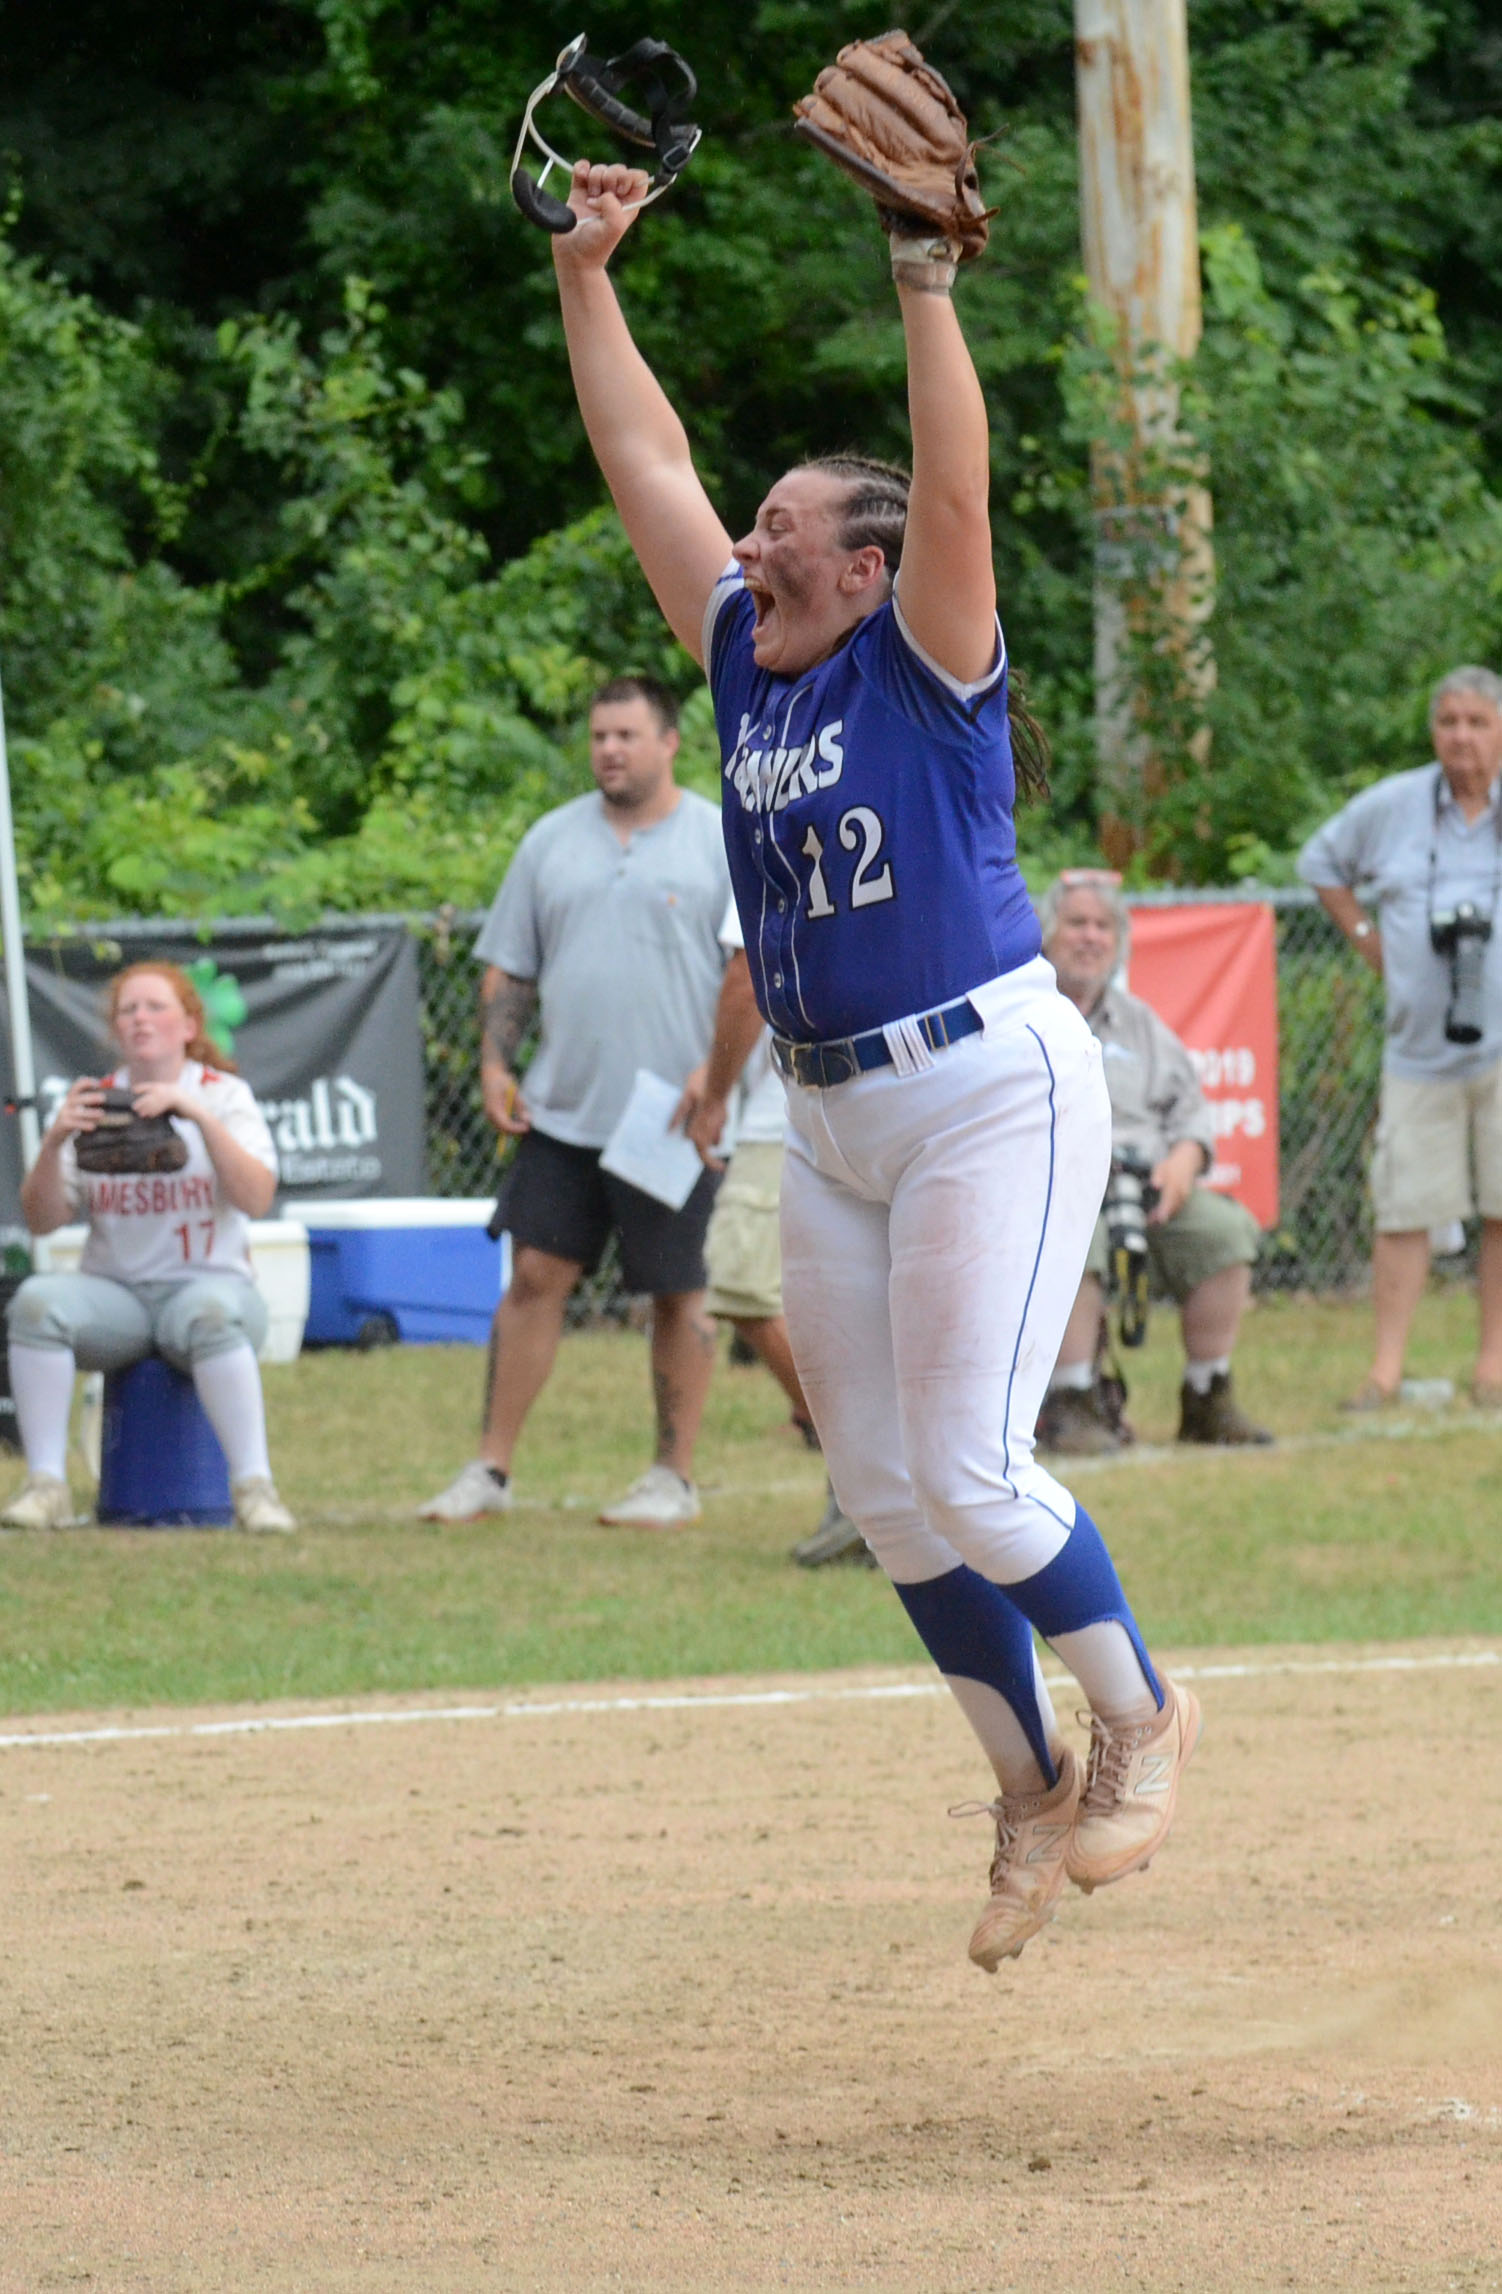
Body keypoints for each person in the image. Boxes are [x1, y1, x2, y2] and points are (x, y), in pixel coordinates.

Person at [547, 137, 1198, 1972]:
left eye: (780, 530)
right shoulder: (747, 658)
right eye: (749, 530)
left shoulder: (922, 655)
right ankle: (1028, 1782)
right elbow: (644, 461)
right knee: (894, 1497)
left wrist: (923, 283)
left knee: (975, 1469)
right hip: (826, 1112)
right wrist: (585, 275)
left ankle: (1142, 1712)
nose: (745, 547)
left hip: (986, 1082)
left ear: (869, 561)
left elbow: (956, 483)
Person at [420, 676, 730, 1527]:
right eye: (599, 737)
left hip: (673, 1114)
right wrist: (494, 1062)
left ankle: (671, 1478)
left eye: (627, 735)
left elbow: (756, 973)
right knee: (533, 1276)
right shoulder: (550, 841)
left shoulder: (718, 838)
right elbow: (510, 965)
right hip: (564, 1107)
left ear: (670, 742)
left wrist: (716, 1074)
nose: (609, 751)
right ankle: (489, 1469)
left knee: (679, 1291)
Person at [1, 962, 294, 1534]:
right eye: (127, 1010)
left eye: (155, 1006)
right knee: (35, 1304)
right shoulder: (97, 1100)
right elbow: (42, 1219)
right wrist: (56, 1139)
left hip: (213, 1286)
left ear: (189, 1025)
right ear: (115, 1028)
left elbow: (256, 1198)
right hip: (119, 1298)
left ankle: (255, 1490)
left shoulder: (223, 1095)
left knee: (212, 1313)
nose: (140, 1018)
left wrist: (197, 1116)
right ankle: (46, 1486)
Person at [1299, 664, 1502, 1408]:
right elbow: (1319, 860)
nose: (1462, 737)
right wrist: (1368, 939)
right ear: (1433, 732)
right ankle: (1384, 1373)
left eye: (1477, 722)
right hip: (1418, 1053)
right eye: (1449, 722)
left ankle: (1494, 1369)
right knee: (1403, 1212)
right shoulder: (1394, 806)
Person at [1035, 872, 1272, 1453]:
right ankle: (1072, 1403)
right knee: (1074, 1238)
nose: (1090, 937)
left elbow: (1190, 1111)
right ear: (1046, 934)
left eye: (1103, 926)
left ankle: (1207, 1395)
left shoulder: (1140, 1023)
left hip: (1142, 1184)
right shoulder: (1023, 1014)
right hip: (1052, 1186)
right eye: (1077, 923)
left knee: (1224, 1232)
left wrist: (1184, 1164)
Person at [677, 899, 870, 1568]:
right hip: (877, 1102)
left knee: (743, 1283)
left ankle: (865, 1476)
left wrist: (716, 1094)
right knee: (850, 1309)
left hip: (794, 1107)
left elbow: (747, 977)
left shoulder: (773, 832)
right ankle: (870, 1484)